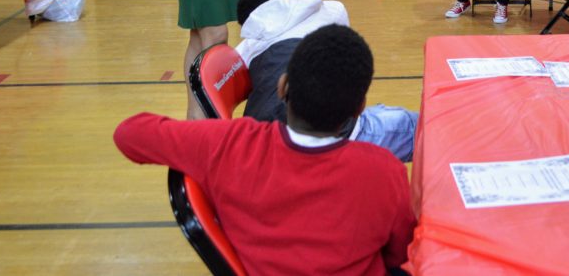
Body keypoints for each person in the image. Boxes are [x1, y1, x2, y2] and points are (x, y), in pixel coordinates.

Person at [114, 25, 416, 275]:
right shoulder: (383, 170)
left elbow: (128, 134)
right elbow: (400, 252)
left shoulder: (231, 143)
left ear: (283, 87)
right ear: (359, 109)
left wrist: (201, 134)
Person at [235, 0, 418, 162]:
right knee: (425, 127)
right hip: (338, 132)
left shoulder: (245, 48)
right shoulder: (331, 9)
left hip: (263, 143)